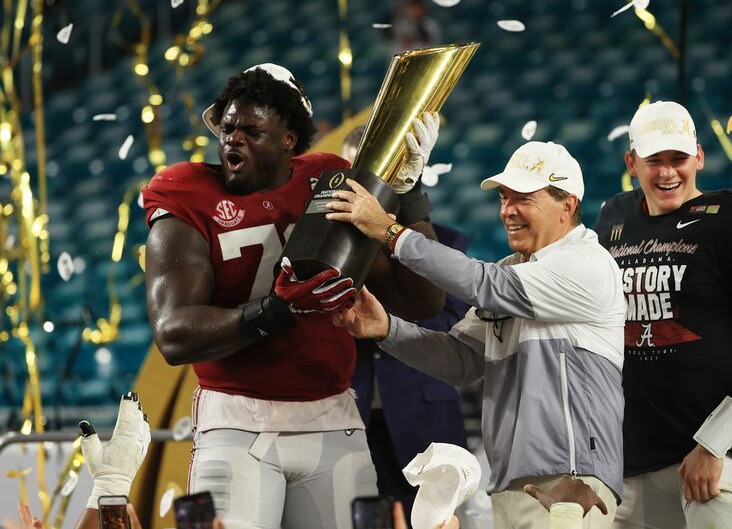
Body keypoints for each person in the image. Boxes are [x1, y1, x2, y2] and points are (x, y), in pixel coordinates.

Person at [141, 63, 444, 529]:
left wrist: (412, 195)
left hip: (331, 412)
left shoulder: (328, 180)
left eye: (250, 130)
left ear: (288, 138)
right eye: (226, 128)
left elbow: (420, 301)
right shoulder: (185, 191)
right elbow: (173, 334)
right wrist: (275, 311)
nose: (231, 140)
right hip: (235, 417)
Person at [326, 140, 626, 528]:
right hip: (512, 484)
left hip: (572, 483)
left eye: (524, 198)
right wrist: (386, 329)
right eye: (504, 197)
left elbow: (481, 281)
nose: (508, 211)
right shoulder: (513, 270)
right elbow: (459, 360)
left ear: (567, 206)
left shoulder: (587, 264)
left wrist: (389, 231)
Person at [593, 101, 732, 528]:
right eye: (655, 161)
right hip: (630, 461)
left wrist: (713, 445)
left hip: (717, 460)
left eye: (679, 159)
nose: (668, 172)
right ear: (632, 162)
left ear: (699, 157)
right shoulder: (614, 218)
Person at [342, 125, 470, 526]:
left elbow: (452, 321)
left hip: (421, 410)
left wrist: (390, 317)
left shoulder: (445, 242)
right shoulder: (333, 247)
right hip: (354, 409)